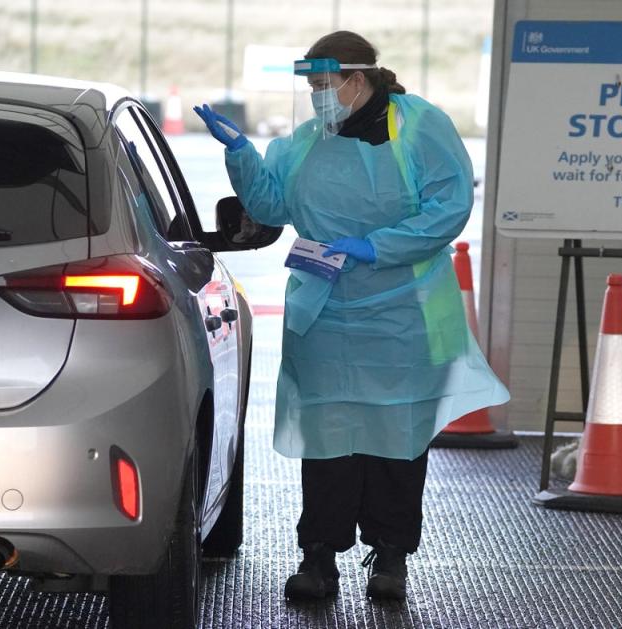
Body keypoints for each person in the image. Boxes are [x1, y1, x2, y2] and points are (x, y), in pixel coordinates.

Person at [194, 31, 509, 601]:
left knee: (397, 439)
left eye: (324, 85)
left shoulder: (420, 128)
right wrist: (241, 154)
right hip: (326, 312)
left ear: (357, 81)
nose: (317, 97)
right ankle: (319, 557)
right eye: (311, 87)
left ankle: (391, 557)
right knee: (327, 439)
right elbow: (272, 205)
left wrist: (378, 246)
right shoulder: (312, 139)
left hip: (405, 312)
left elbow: (449, 207)